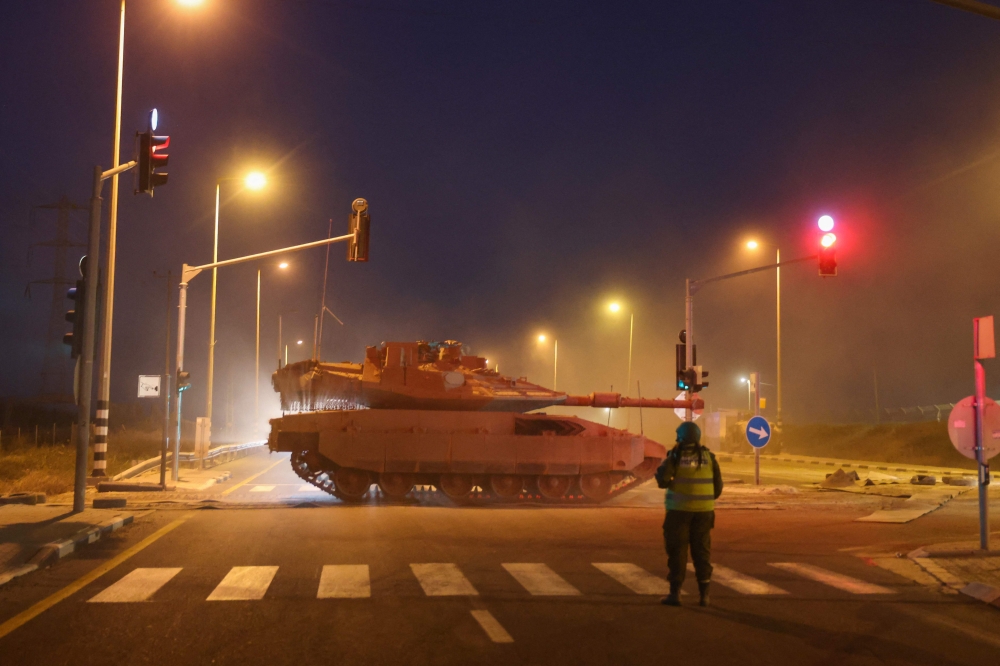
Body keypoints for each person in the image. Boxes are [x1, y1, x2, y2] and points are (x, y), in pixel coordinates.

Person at [654, 421, 723, 607]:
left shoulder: (676, 457)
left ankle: (675, 594)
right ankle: (704, 596)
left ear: (681, 438)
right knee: (702, 552)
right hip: (704, 513)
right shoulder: (709, 457)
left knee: (677, 552)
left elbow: (662, 481)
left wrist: (665, 465)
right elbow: (718, 489)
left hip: (678, 513)